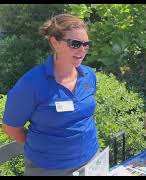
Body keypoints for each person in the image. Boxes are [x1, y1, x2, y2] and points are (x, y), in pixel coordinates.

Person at [2, 13, 99, 176]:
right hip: (48, 169)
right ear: (55, 42)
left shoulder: (89, 75)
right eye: (75, 44)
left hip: (90, 160)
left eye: (86, 44)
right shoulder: (31, 83)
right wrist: (45, 145)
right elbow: (11, 128)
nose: (82, 50)